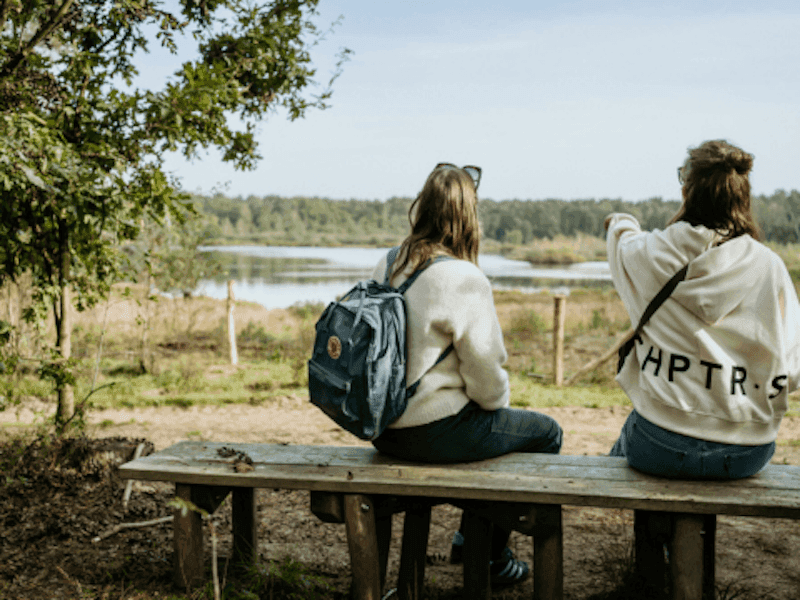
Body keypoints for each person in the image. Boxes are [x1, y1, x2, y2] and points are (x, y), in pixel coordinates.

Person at [370, 162, 563, 587]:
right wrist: (492, 406)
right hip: (433, 433)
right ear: (467, 215)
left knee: (500, 430)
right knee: (547, 433)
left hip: (382, 430)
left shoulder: (387, 264)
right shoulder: (463, 277)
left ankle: (469, 539)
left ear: (423, 207)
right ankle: (488, 556)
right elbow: (487, 379)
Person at [605, 139, 800, 479]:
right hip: (746, 449)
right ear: (742, 197)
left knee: (628, 448)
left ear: (687, 192)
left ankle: (650, 534)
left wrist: (620, 220)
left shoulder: (651, 253)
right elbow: (793, 367)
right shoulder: (769, 267)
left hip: (659, 442)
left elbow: (621, 238)